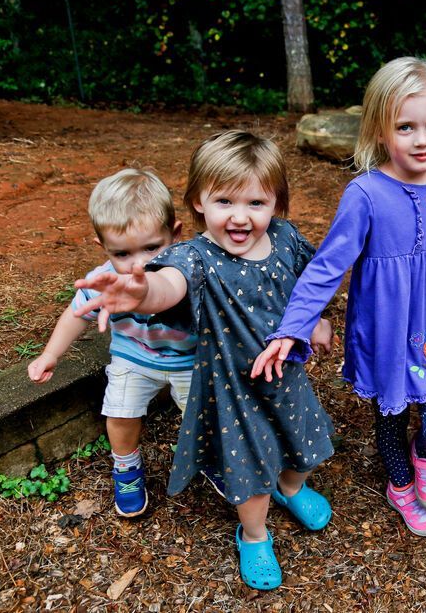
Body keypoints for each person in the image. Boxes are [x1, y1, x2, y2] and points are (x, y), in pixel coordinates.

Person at [74, 131, 335, 591]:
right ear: (197, 201)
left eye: (256, 202)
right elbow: (166, 285)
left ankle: (291, 488)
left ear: (276, 202)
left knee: (307, 443)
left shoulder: (287, 238)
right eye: (224, 201)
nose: (240, 216)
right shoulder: (194, 257)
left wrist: (315, 321)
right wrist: (141, 294)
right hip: (235, 391)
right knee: (251, 474)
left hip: (288, 376)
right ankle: (254, 535)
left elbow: (308, 284)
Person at [256, 57, 426, 538]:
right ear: (379, 131)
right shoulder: (366, 193)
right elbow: (328, 266)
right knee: (390, 415)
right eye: (405, 127)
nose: (422, 140)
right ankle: (400, 486)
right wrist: (294, 326)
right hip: (387, 329)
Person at [27, 168, 194, 518]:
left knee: (205, 418)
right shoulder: (102, 281)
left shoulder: (189, 270)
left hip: (189, 362)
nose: (139, 264)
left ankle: (216, 460)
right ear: (103, 248)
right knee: (119, 415)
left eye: (152, 247)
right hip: (133, 359)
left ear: (175, 234)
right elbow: (76, 314)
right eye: (122, 254)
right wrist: (50, 354)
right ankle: (127, 468)